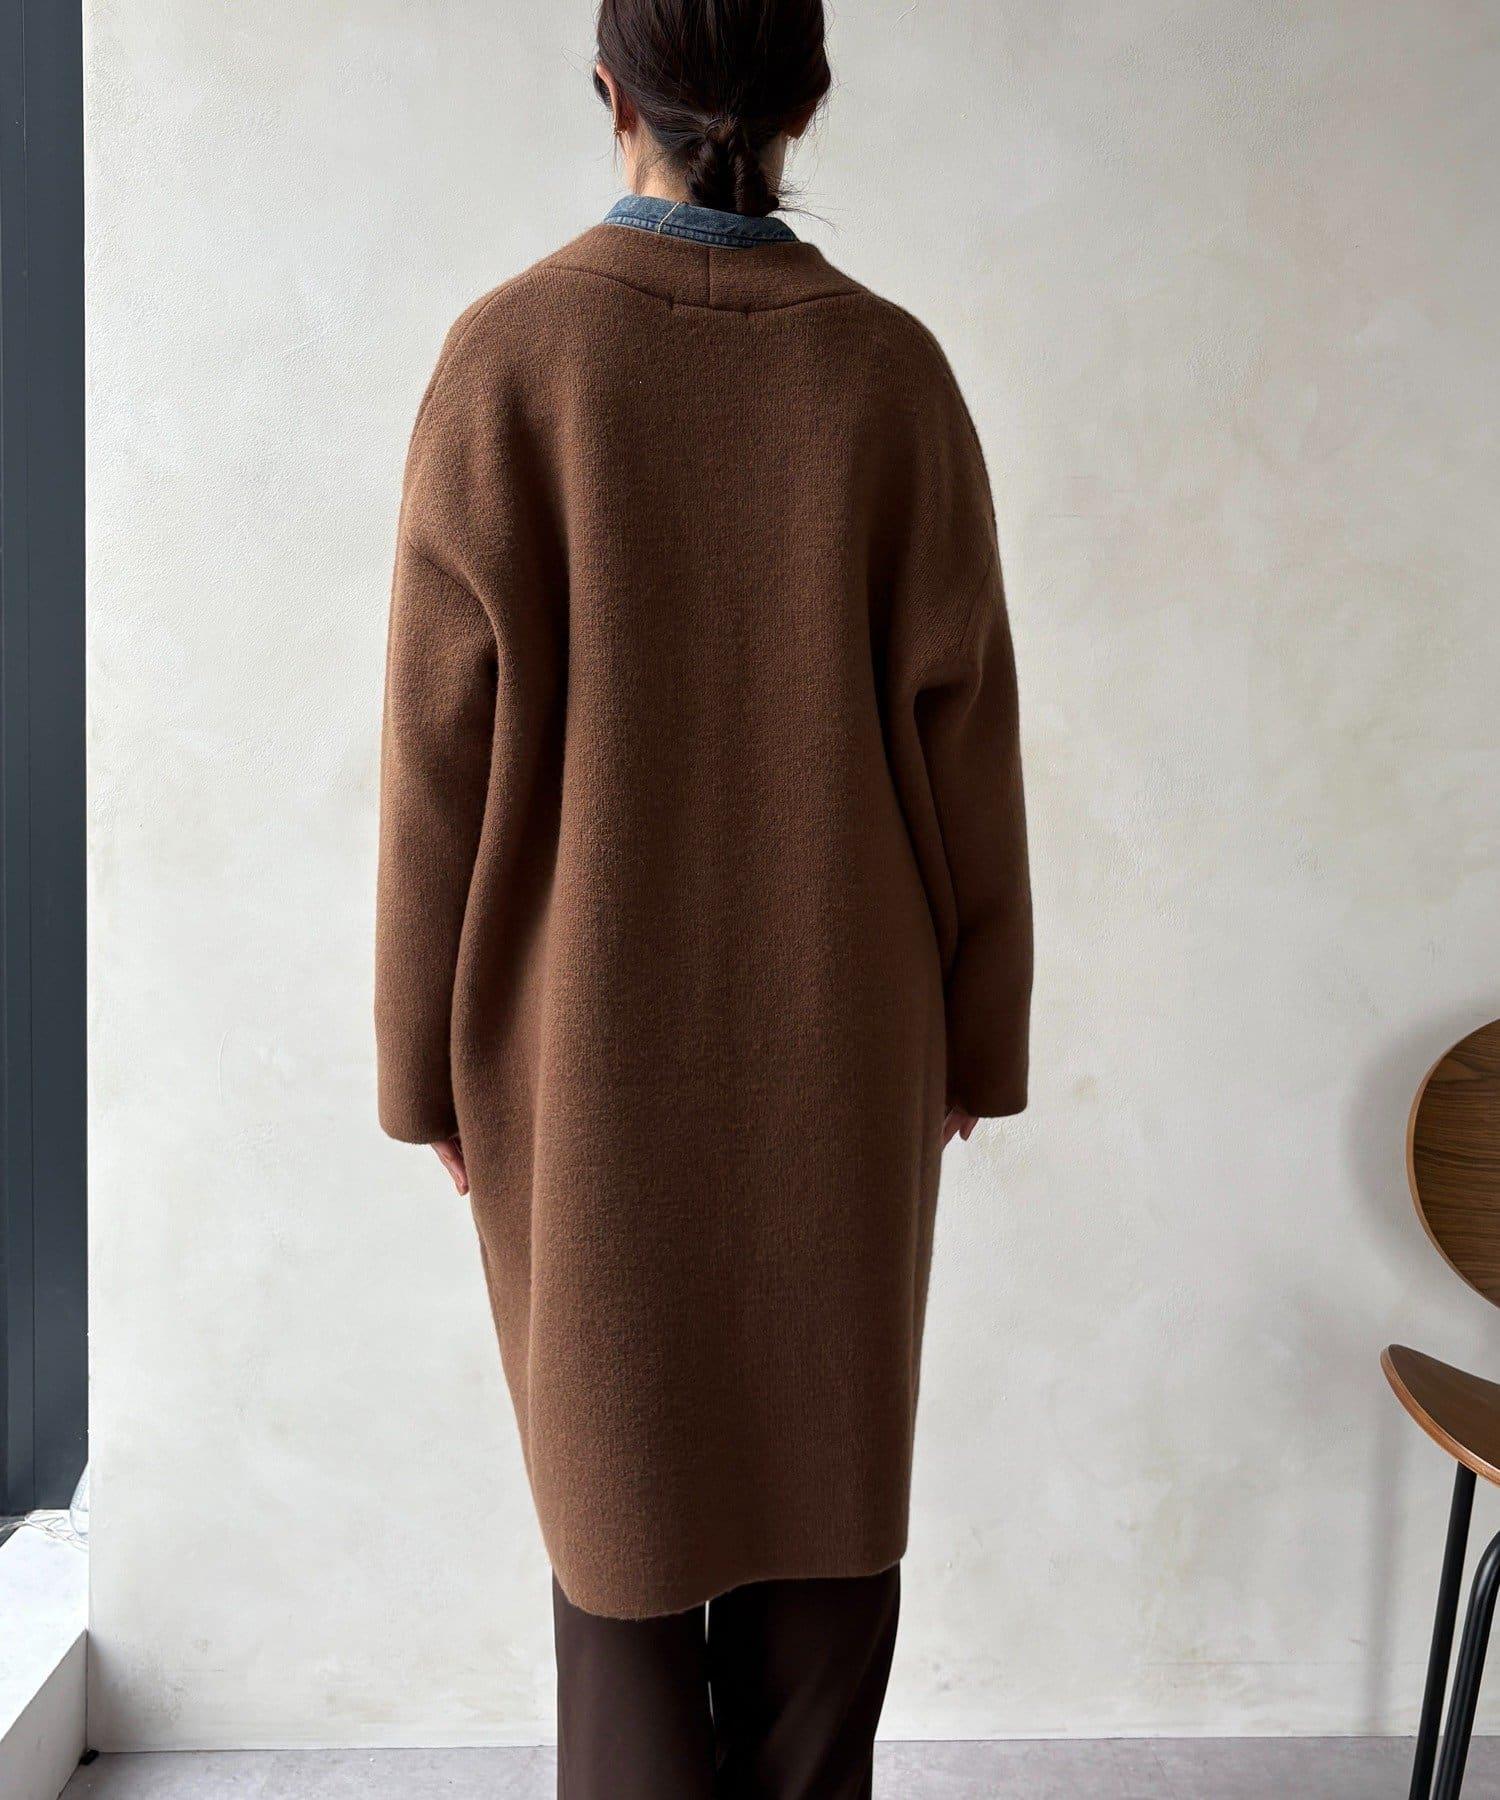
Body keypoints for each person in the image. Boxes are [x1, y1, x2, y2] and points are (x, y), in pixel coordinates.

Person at [375, 1, 1033, 1791]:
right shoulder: (892, 374)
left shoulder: (511, 360)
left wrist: (424, 1074)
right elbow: (970, 744)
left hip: (576, 1059)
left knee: (623, 1538)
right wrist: (977, 1039)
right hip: (848, 1040)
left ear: (610, 90)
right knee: (827, 1513)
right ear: (810, 96)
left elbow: (435, 766)